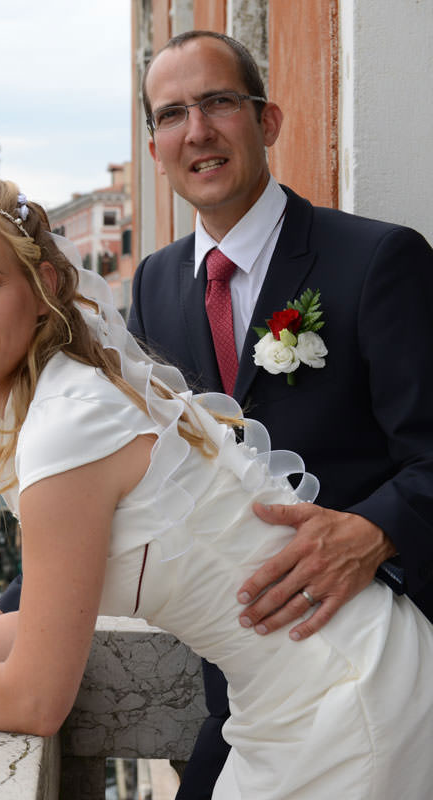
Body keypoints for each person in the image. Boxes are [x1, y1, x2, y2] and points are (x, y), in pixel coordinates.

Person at [0, 174, 433, 799]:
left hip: (344, 700)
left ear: (41, 285)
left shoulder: (68, 425)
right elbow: (42, 620)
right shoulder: (69, 394)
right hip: (309, 692)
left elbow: (35, 699)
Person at [129, 31, 433, 798]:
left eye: (218, 103)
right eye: (171, 115)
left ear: (266, 122)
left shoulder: (378, 259)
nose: (197, 130)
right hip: (243, 686)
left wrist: (374, 531)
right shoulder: (156, 285)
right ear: (158, 146)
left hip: (373, 662)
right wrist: (9, 605)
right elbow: (136, 475)